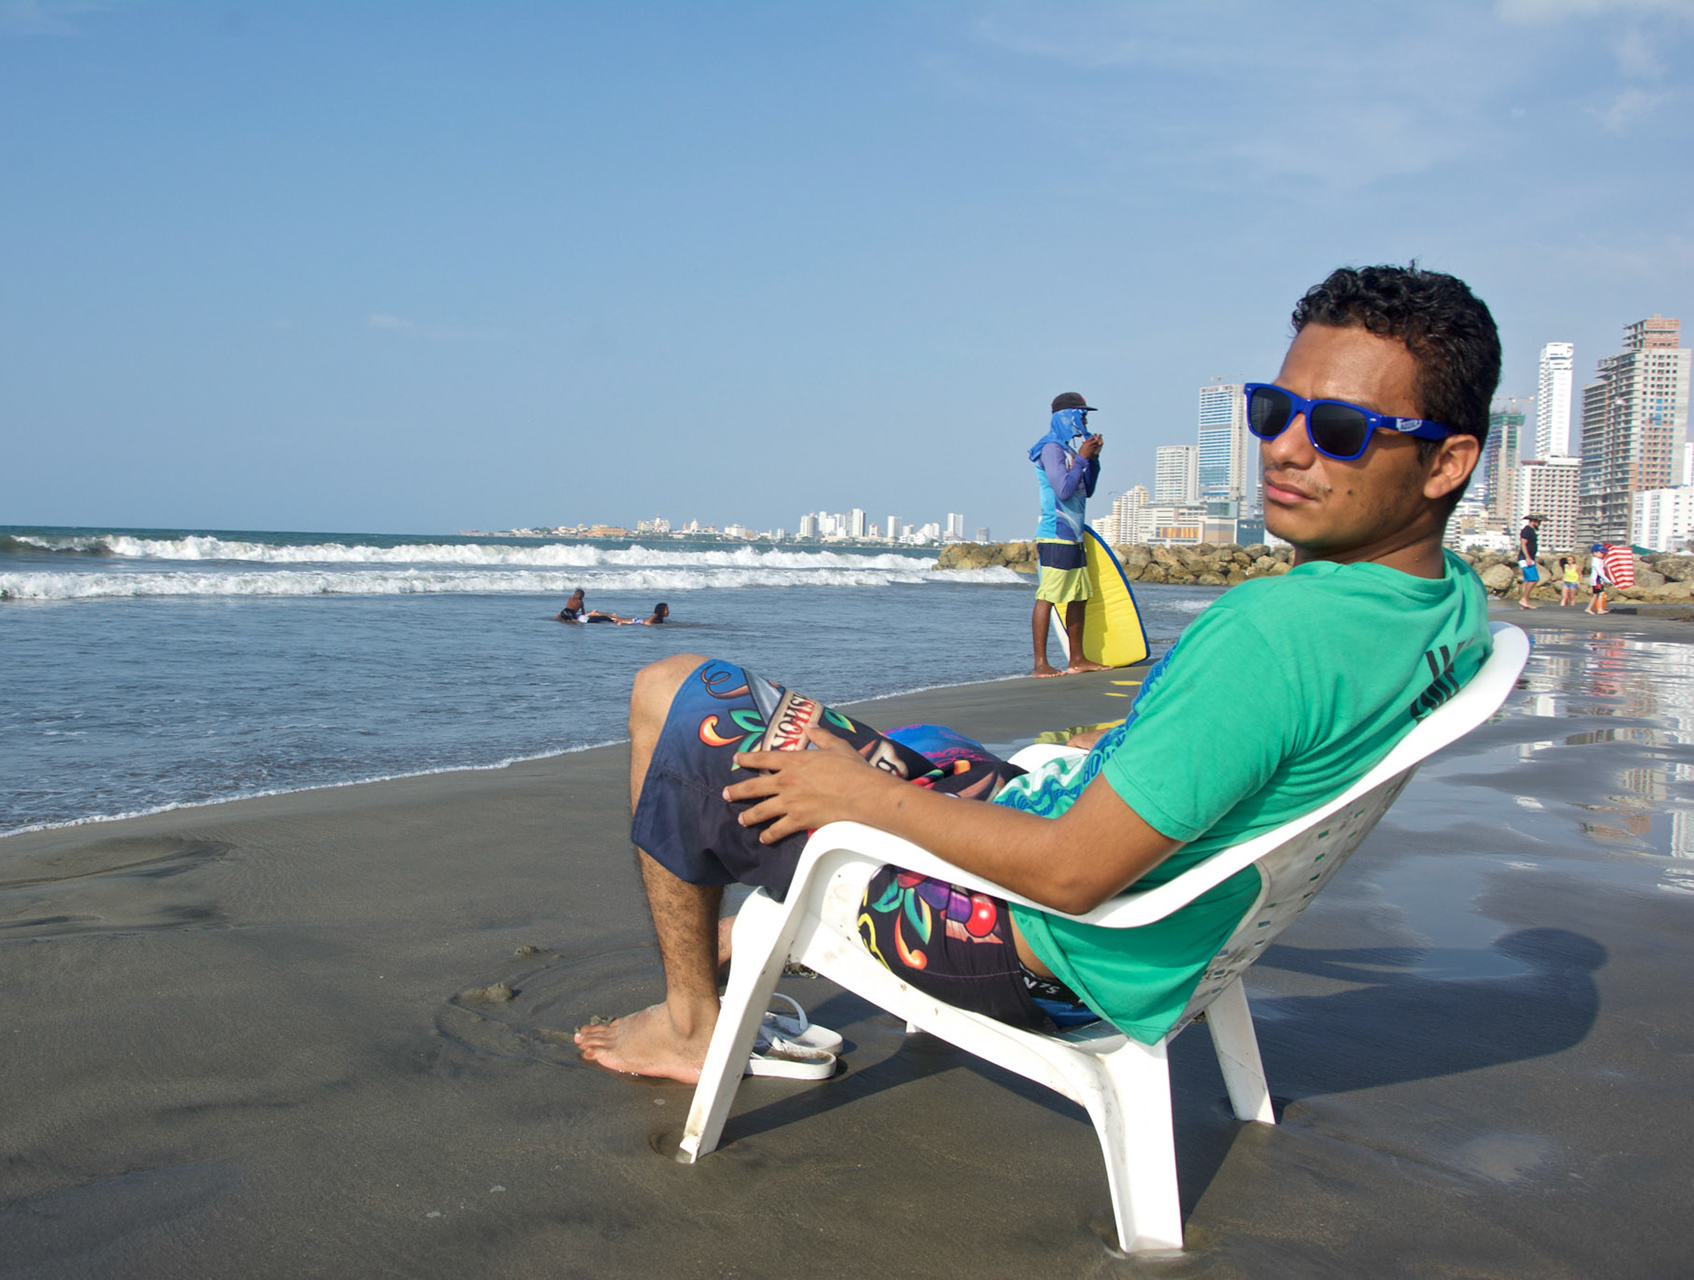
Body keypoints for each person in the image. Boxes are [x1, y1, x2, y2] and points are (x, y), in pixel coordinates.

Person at [576, 264, 1498, 1083]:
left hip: (1033, 952)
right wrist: (1126, 746)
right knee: (929, 748)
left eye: (1339, 428)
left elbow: (1068, 876)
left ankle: (691, 1023)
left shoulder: (1277, 634)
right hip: (1157, 939)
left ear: (1446, 462)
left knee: (675, 691)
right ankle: (763, 935)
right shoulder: (1441, 604)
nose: (1286, 447)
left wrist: (856, 799)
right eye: (1273, 409)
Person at [1030, 393, 1107, 677]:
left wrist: (1092, 460)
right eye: (1082, 414)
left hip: (1073, 536)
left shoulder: (1070, 451)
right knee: (1048, 596)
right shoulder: (1050, 448)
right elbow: (1062, 490)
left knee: (1079, 596)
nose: (1085, 420)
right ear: (1067, 416)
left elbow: (1087, 488)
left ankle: (1078, 660)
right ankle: (1040, 664)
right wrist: (1083, 459)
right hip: (1055, 535)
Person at [1517, 515, 1543, 610]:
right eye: (1538, 522)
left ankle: (1524, 603)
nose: (1539, 524)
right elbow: (1523, 544)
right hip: (1525, 558)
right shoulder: (1526, 530)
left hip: (1529, 558)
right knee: (1534, 579)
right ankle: (1524, 599)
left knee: (1527, 580)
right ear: (1533, 521)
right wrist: (1528, 558)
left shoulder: (1532, 531)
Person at [1588, 544, 1610, 614]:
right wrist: (1607, 580)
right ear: (1594, 553)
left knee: (1596, 595)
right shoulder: (1595, 561)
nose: (1602, 554)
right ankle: (1599, 609)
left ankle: (1589, 608)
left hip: (1599, 580)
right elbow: (1599, 572)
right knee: (1601, 593)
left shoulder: (1599, 560)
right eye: (1600, 552)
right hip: (1596, 580)